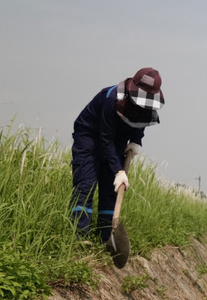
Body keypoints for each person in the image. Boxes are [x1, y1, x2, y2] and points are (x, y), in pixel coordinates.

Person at [70, 68, 164, 253]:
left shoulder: (147, 106)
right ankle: (79, 240)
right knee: (86, 185)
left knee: (110, 189)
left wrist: (136, 140)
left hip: (116, 139)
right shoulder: (112, 99)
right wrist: (119, 171)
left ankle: (105, 238)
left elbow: (140, 122)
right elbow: (105, 139)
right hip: (90, 136)